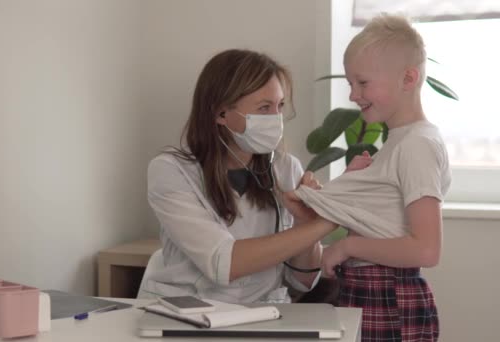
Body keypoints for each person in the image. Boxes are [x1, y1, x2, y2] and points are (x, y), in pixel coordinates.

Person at [287, 14, 451, 341]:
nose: (352, 95)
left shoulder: (416, 145)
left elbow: (426, 250)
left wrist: (347, 246)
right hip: (372, 291)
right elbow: (383, 218)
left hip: (389, 296)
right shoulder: (399, 142)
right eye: (350, 83)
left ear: (408, 78)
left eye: (362, 83)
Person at [142, 49, 339, 304]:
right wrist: (324, 223)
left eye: (279, 106)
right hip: (189, 314)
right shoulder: (171, 171)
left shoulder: (286, 168)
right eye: (264, 108)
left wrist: (305, 222)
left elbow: (301, 280)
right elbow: (223, 263)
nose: (276, 119)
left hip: (265, 313)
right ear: (221, 113)